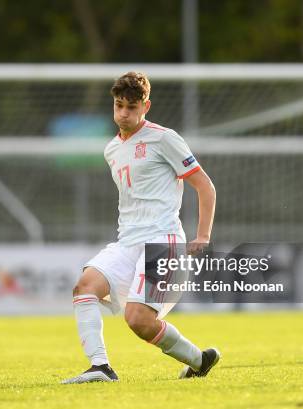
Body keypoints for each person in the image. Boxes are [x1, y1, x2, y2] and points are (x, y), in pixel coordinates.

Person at [62, 72, 220, 384]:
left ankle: (199, 360)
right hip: (127, 243)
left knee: (138, 320)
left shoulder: (164, 138)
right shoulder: (111, 149)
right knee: (84, 287)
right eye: (119, 105)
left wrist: (203, 235)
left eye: (131, 107)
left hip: (164, 240)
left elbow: (205, 186)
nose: (123, 113)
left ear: (145, 106)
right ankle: (100, 367)